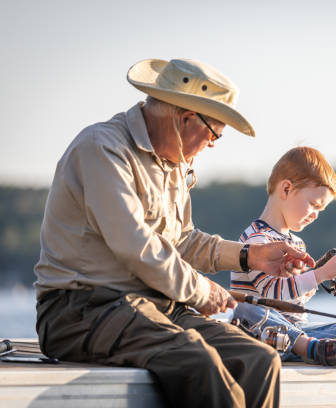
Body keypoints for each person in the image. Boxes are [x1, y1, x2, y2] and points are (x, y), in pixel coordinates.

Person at [33, 58, 316, 408]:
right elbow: (136, 245)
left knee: (259, 360)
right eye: (215, 133)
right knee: (197, 362)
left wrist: (249, 256)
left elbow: (181, 240)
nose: (214, 144)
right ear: (186, 119)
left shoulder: (174, 163)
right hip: (80, 310)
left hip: (153, 307)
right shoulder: (102, 149)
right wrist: (201, 291)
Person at [230, 147, 336, 367]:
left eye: (321, 210)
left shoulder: (297, 244)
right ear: (286, 189)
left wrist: (311, 282)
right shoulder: (255, 239)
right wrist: (319, 275)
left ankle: (317, 350)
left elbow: (294, 301)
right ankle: (311, 349)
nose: (316, 215)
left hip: (297, 332)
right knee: (245, 309)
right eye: (313, 205)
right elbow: (273, 293)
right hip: (258, 331)